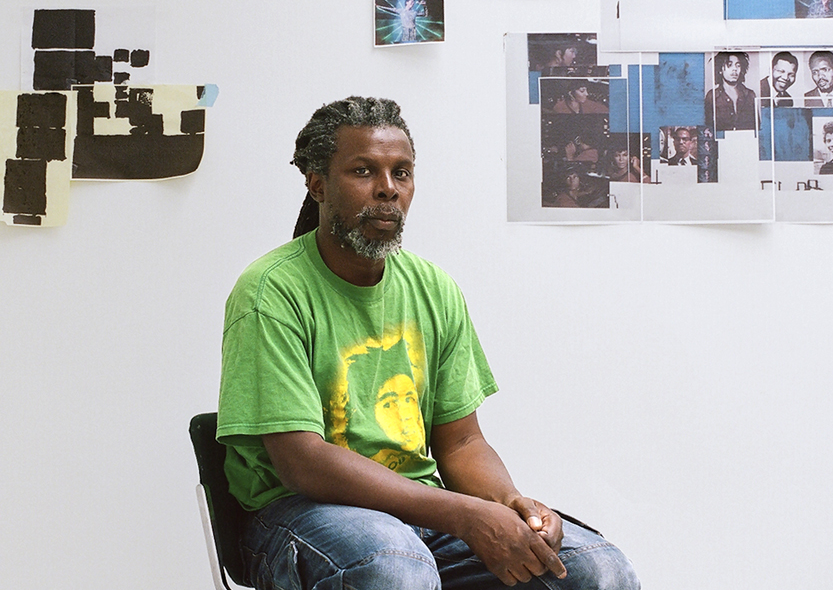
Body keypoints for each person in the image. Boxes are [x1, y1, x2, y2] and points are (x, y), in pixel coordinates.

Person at [217, 96, 640, 590]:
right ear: (318, 185)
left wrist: (509, 504)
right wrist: (464, 515)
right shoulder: (270, 291)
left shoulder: (433, 288)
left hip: (423, 512)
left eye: (402, 172)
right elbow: (302, 460)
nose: (387, 190)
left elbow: (461, 441)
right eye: (363, 171)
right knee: (396, 568)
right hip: (300, 514)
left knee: (599, 570)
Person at [704, 51, 757, 131]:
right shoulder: (712, 96)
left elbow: (757, 127)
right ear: (720, 69)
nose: (734, 69)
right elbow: (707, 127)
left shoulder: (750, 95)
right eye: (729, 65)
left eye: (738, 66)